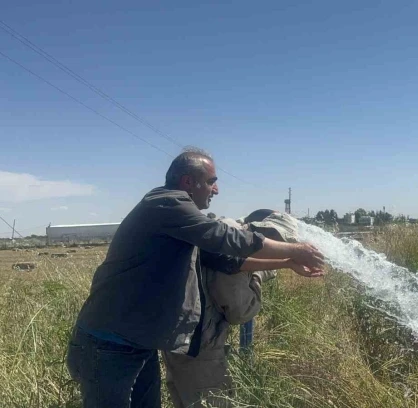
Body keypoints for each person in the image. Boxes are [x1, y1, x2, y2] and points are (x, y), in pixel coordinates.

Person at [65, 148, 325, 408]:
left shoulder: (179, 221)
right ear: (189, 182)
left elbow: (223, 259)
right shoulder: (166, 203)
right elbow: (227, 238)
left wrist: (288, 263)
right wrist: (294, 249)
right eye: (212, 181)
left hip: (139, 343)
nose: (216, 190)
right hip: (109, 346)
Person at [162, 209, 300, 408]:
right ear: (271, 235)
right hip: (201, 347)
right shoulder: (237, 247)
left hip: (177, 337)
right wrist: (259, 275)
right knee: (214, 402)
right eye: (282, 243)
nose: (281, 249)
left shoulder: (224, 233)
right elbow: (238, 311)